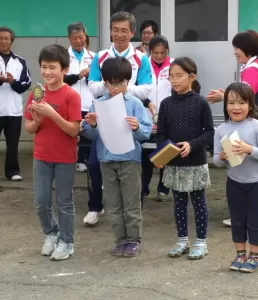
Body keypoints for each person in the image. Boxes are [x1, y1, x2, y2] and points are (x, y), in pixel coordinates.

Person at [86, 12, 153, 224]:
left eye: (124, 30)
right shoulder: (100, 56)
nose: (119, 34)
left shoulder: (141, 58)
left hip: (129, 114)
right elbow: (92, 85)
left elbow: (146, 89)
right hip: (105, 112)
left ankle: (135, 208)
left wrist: (123, 90)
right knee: (96, 164)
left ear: (132, 32)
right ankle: (95, 206)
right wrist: (112, 87)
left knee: (131, 164)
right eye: (115, 30)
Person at [82, 57, 152, 257]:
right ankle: (120, 239)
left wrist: (137, 126)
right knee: (113, 203)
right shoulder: (98, 104)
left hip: (129, 159)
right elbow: (91, 134)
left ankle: (133, 239)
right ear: (104, 81)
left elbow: (145, 133)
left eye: (120, 82)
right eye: (111, 82)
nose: (116, 87)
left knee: (131, 203)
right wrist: (93, 125)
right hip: (106, 159)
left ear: (128, 82)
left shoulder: (135, 103)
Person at [207, 30, 258, 226]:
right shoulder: (253, 65)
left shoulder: (252, 68)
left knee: (249, 167)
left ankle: (249, 215)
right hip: (256, 121)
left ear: (245, 48)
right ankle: (245, 213)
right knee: (241, 164)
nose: (234, 52)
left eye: (236, 48)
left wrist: (223, 96)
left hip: (254, 123)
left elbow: (246, 94)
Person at [24, 44, 82, 261]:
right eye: (43, 67)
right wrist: (38, 120)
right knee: (41, 201)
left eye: (53, 67)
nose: (47, 72)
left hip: (65, 158)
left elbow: (74, 130)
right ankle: (51, 233)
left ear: (65, 69)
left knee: (65, 201)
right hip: (41, 156)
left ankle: (67, 241)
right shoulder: (36, 94)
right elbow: (29, 128)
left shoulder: (71, 96)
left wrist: (52, 114)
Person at [156, 57, 214, 260]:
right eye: (171, 76)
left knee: (199, 202)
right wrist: (164, 152)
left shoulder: (200, 102)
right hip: (174, 163)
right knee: (178, 203)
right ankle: (182, 240)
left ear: (192, 77)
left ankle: (201, 241)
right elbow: (161, 134)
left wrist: (192, 144)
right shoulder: (165, 104)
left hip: (196, 161)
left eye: (179, 75)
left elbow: (209, 132)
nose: (174, 80)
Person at [213, 82, 258, 273]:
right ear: (225, 105)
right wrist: (222, 156)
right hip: (234, 183)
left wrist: (249, 149)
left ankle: (254, 256)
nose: (236, 107)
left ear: (250, 105)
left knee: (254, 221)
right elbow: (216, 161)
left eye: (241, 103)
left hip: (257, 183)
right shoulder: (221, 130)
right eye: (231, 103)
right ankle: (240, 254)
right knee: (237, 220)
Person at [141, 35, 173, 202]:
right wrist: (148, 104)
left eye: (163, 52)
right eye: (155, 53)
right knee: (146, 152)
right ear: (149, 51)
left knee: (164, 150)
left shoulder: (174, 65)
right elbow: (139, 89)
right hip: (147, 114)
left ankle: (163, 187)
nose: (159, 56)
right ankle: (144, 187)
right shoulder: (143, 64)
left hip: (168, 116)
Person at [0, 26, 31, 181]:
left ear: (11, 41)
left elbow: (26, 84)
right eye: (0, 38)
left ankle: (12, 172)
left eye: (6, 38)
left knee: (13, 143)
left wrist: (13, 82)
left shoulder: (20, 61)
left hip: (13, 111)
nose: (3, 41)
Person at [64, 22, 94, 173]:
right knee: (69, 132)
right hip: (69, 102)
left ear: (85, 36)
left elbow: (98, 81)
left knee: (87, 134)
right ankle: (68, 159)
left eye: (81, 37)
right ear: (69, 38)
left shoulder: (94, 57)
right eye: (74, 38)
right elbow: (60, 79)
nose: (78, 41)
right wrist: (78, 76)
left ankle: (83, 160)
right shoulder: (63, 56)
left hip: (88, 102)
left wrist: (89, 76)